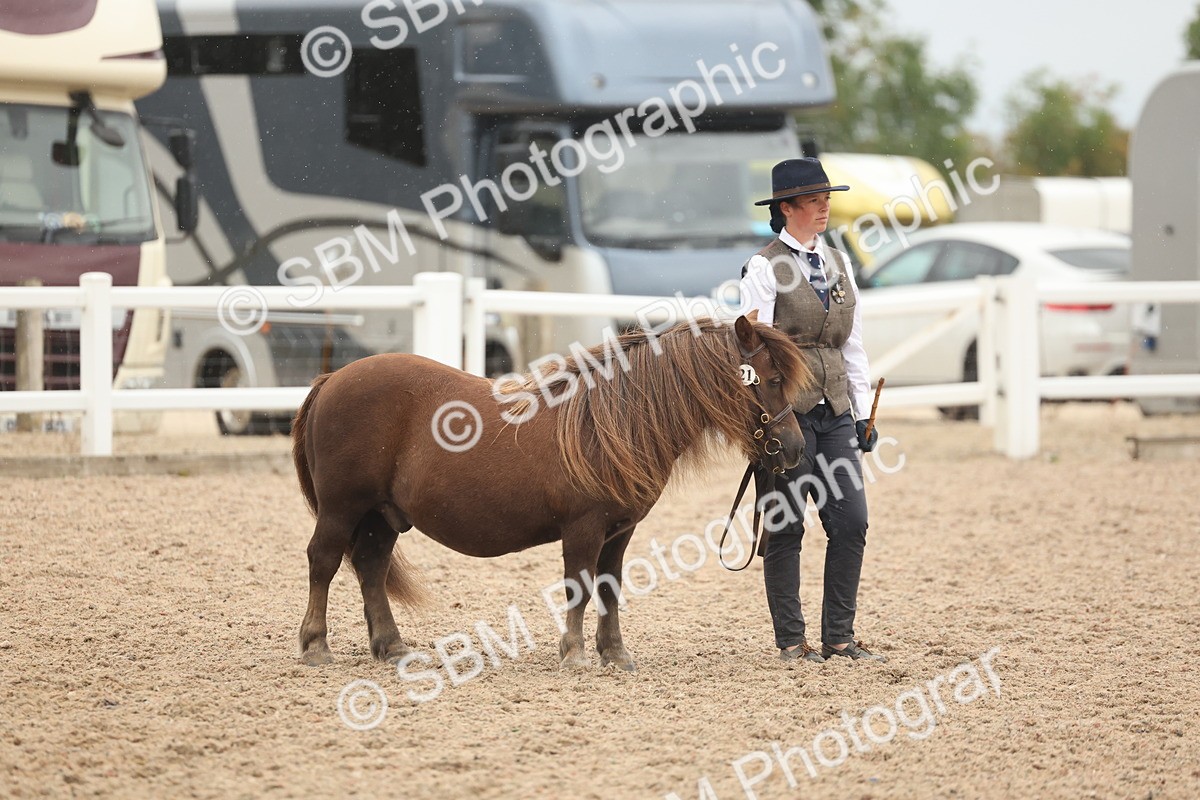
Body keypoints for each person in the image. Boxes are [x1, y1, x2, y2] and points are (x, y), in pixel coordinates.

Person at [738, 157, 886, 664]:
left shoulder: (841, 265)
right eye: (815, 200)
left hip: (838, 410)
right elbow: (749, 351)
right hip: (788, 415)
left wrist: (864, 414)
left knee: (851, 522)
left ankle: (839, 637)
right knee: (787, 526)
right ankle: (791, 641)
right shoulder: (763, 268)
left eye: (827, 199)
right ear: (787, 208)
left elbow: (854, 348)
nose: (825, 207)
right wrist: (758, 417)